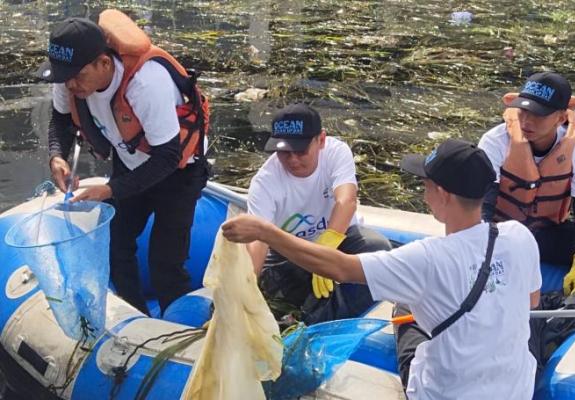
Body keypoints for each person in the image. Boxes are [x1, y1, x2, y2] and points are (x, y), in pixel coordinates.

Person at [223, 138, 541, 399]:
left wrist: (265, 231)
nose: (423, 193)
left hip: (447, 393)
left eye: (426, 184)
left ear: (442, 193)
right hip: (516, 390)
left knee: (403, 308)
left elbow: (339, 267)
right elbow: (531, 302)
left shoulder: (427, 258)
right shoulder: (519, 236)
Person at [37, 10, 211, 315]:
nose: (71, 86)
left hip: (178, 170)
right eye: (65, 78)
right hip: (130, 161)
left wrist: (110, 190)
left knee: (165, 263)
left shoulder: (145, 84)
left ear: (103, 63)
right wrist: (57, 155)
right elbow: (60, 121)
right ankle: (136, 317)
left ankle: (182, 331)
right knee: (115, 246)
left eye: (79, 76)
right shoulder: (68, 79)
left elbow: (168, 157)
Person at [245, 103, 391, 325]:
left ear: (320, 140)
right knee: (272, 286)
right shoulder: (264, 182)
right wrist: (245, 285)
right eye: (284, 152)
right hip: (290, 250)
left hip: (339, 239)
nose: (293, 160)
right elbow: (258, 241)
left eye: (301, 151)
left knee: (377, 249)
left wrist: (326, 248)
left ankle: (314, 322)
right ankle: (309, 313)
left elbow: (346, 199)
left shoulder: (336, 152)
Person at [478, 72, 575, 301]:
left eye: (538, 115)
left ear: (561, 117)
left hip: (546, 233)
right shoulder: (494, 141)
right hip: (499, 234)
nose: (526, 122)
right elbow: (481, 209)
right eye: (523, 111)